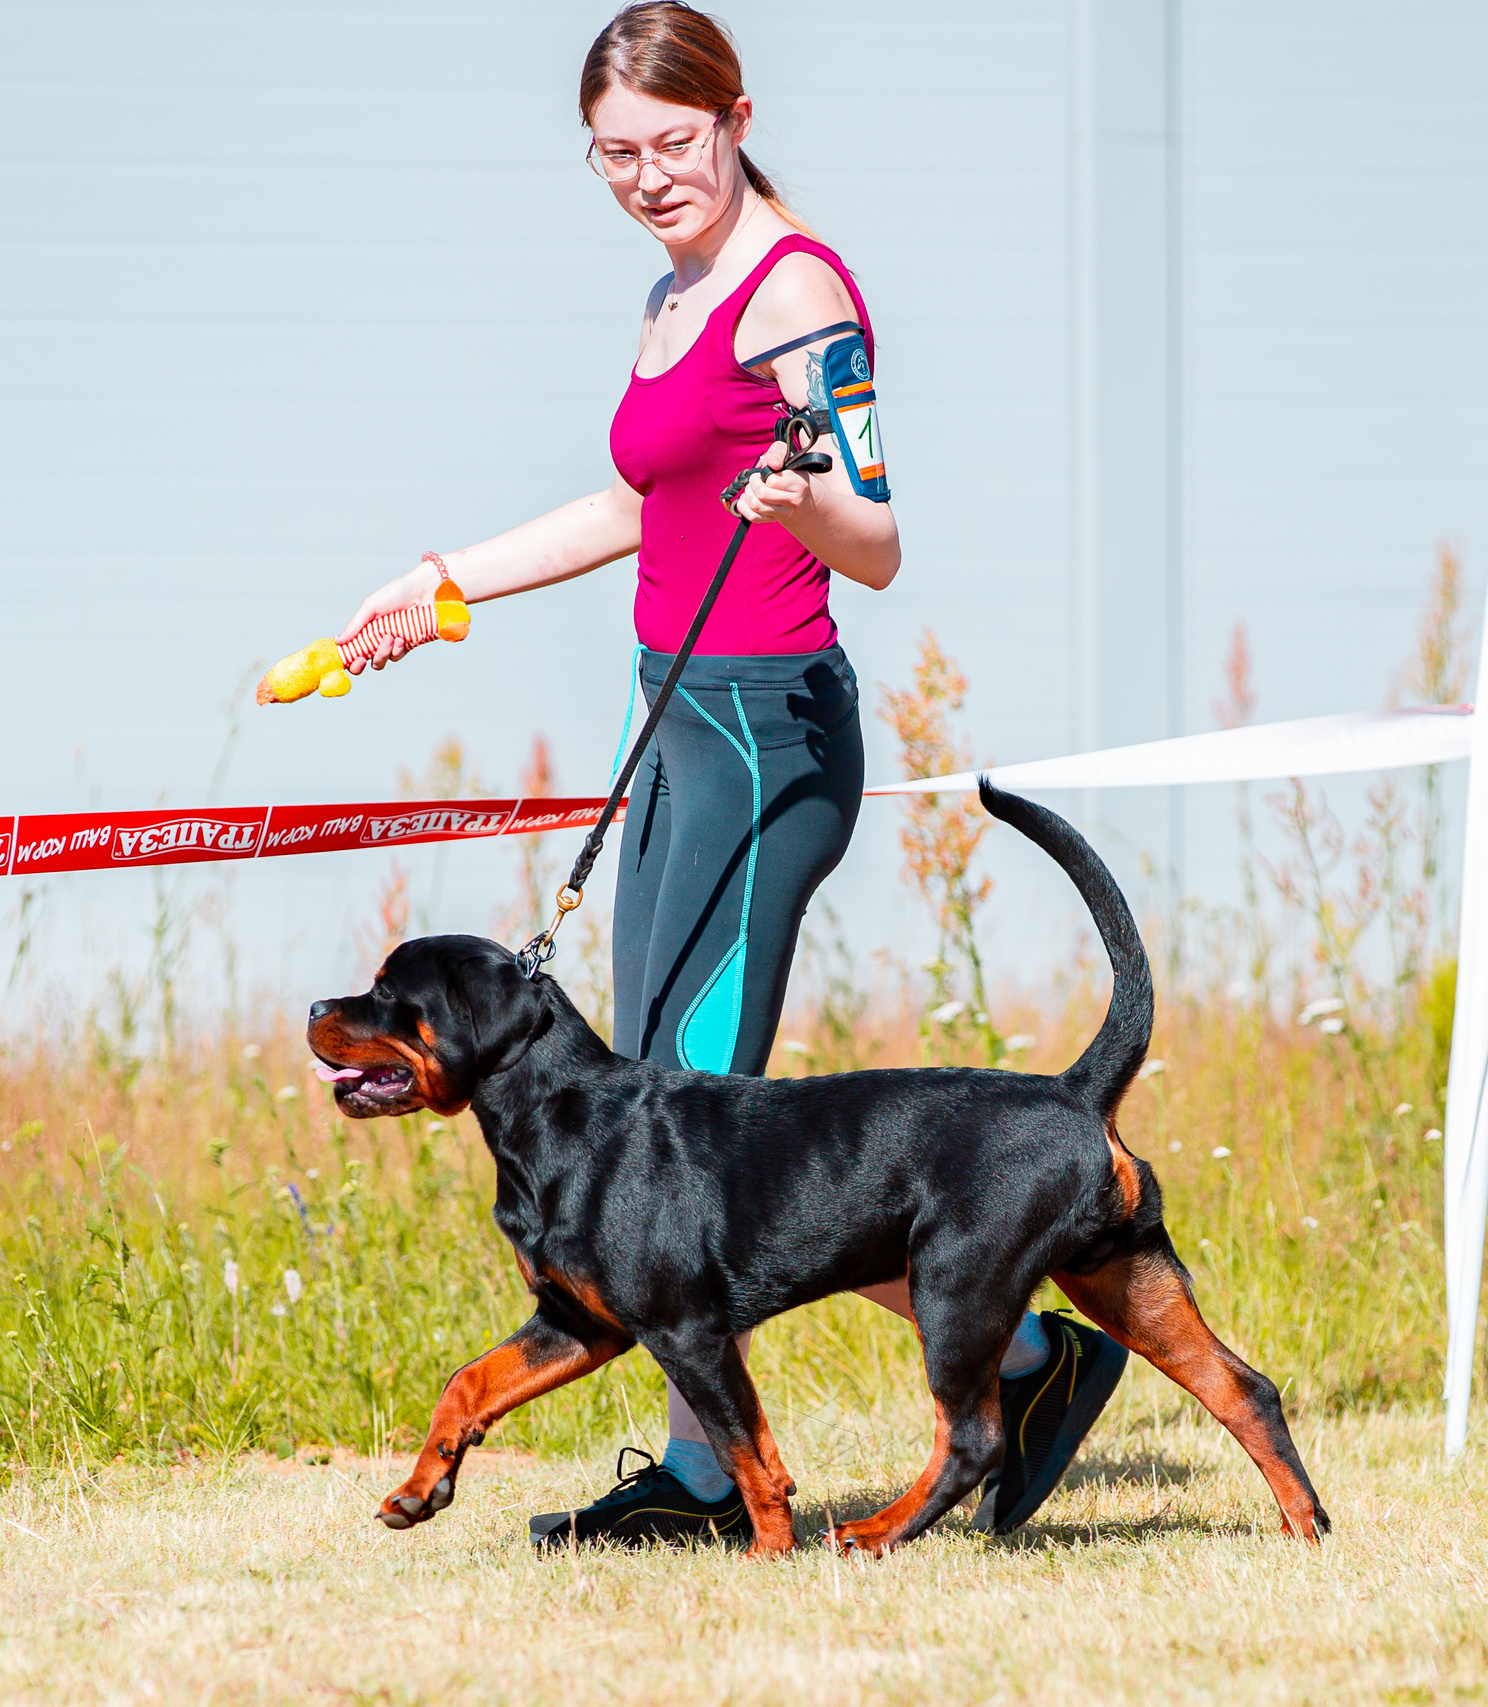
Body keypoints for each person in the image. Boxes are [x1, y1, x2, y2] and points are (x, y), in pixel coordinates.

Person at [337, 0, 1126, 1546]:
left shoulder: (800, 297)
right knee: (657, 1121)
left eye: (673, 143)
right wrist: (442, 582)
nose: (647, 175)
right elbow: (641, 506)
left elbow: (878, 544)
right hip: (676, 726)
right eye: (614, 154)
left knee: (674, 1132)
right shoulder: (672, 295)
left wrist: (799, 508)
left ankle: (713, 1483)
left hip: (767, 735)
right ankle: (1028, 1360)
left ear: (739, 114)